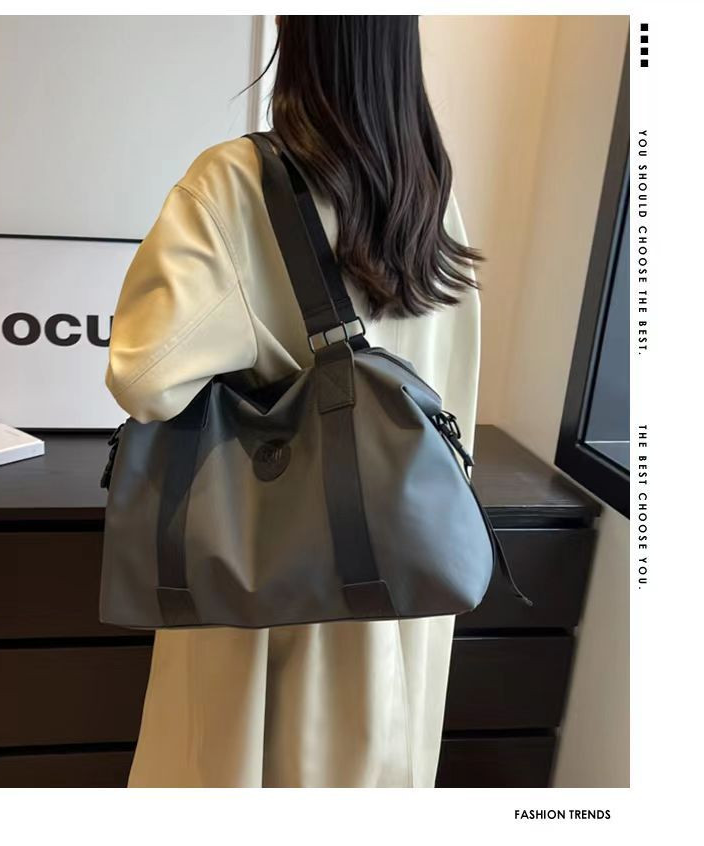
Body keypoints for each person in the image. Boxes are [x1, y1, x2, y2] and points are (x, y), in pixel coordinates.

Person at [105, 15, 483, 788]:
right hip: (405, 581)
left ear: (300, 35)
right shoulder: (433, 198)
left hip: (275, 587)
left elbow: (142, 376)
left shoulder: (235, 183)